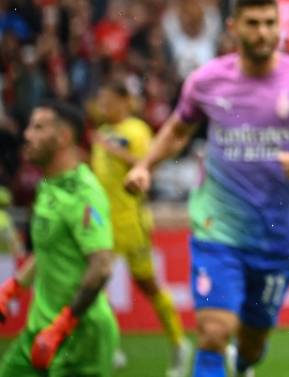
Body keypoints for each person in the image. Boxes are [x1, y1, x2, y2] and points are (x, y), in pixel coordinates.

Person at [124, 0, 289, 377]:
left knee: (251, 341)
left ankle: (244, 365)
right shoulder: (206, 81)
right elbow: (178, 130)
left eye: (269, 23)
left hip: (277, 235)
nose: (263, 32)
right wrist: (146, 165)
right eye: (253, 24)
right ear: (233, 27)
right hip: (218, 228)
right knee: (213, 332)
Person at [0, 101, 118, 376]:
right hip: (38, 329)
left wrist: (62, 327)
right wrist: (10, 290)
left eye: (38, 128)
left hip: (80, 337)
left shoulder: (84, 193)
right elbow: (47, 249)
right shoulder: (47, 184)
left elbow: (101, 267)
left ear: (63, 137)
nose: (27, 135)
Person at [90, 80, 191, 376]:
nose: (103, 106)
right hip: (102, 223)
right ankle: (111, 347)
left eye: (108, 100)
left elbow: (148, 166)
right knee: (92, 287)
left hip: (131, 222)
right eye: (100, 101)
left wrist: (113, 150)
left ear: (124, 101)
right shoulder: (104, 133)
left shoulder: (135, 130)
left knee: (149, 287)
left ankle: (178, 344)